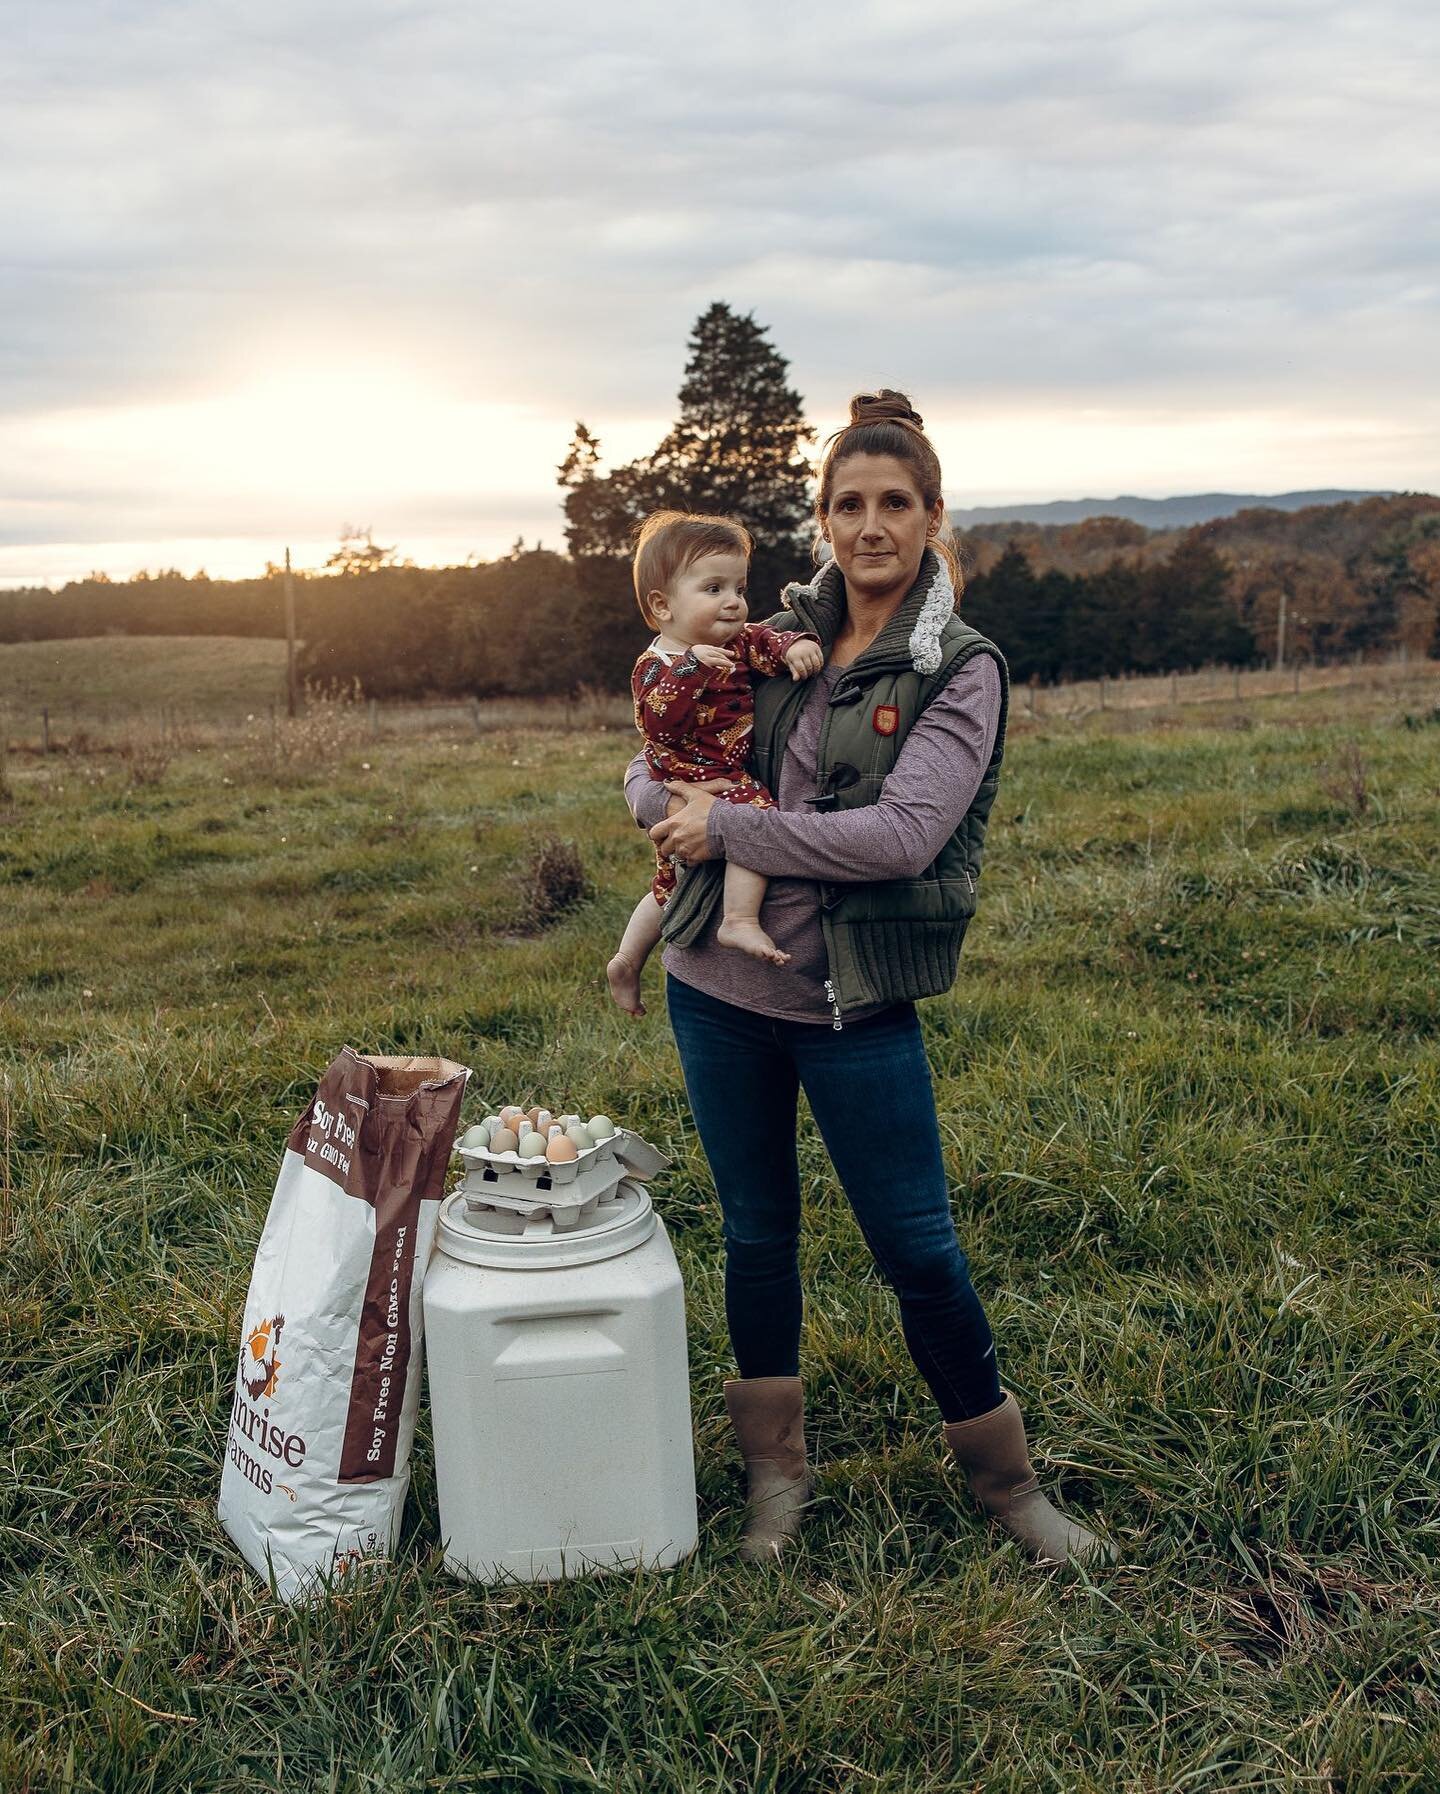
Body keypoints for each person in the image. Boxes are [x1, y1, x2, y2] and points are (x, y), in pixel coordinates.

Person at [625, 390, 1108, 1567]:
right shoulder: (771, 634)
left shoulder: (960, 668)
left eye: (897, 503)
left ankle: (1009, 1489)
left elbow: (903, 839)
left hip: (851, 1004)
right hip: (716, 992)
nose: (871, 525)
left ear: (935, 517)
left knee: (918, 1245)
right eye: (849, 504)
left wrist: (727, 832)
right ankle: (775, 1478)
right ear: (824, 519)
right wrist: (667, 807)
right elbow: (654, 768)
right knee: (757, 1234)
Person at [607, 510, 824, 1018]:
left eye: (739, 587)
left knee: (670, 885)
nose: (733, 602)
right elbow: (657, 723)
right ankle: (739, 919)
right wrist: (691, 669)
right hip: (688, 780)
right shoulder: (657, 665)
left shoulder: (737, 640)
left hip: (719, 774)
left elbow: (767, 642)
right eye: (713, 589)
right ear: (662, 606)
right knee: (756, 820)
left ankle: (625, 959)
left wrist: (798, 647)